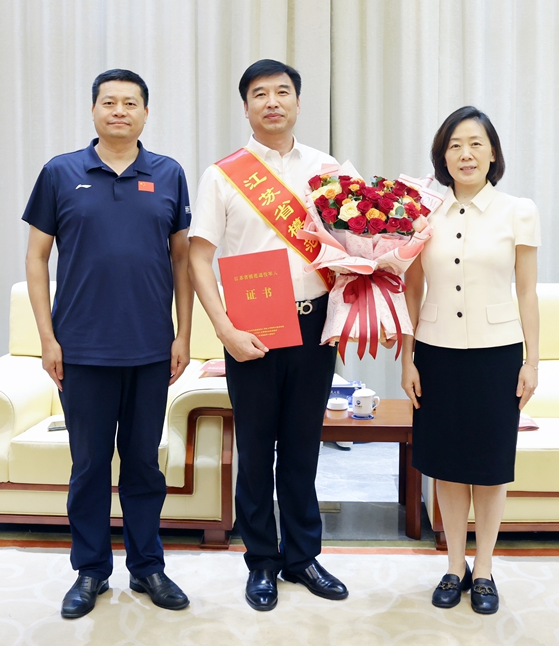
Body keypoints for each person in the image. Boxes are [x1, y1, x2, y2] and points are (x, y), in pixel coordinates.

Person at [22, 69, 194, 618]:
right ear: (94, 110)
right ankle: (91, 570)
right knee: (90, 466)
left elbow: (183, 260)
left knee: (144, 464)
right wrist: (47, 338)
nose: (119, 111)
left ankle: (148, 568)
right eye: (109, 102)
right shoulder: (60, 172)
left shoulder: (168, 174)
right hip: (82, 350)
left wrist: (184, 334)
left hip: (150, 350)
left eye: (130, 103)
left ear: (146, 113)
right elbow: (36, 258)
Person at [187, 59, 349, 611]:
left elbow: (350, 249)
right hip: (251, 325)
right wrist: (225, 329)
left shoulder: (328, 169)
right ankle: (261, 561)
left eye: (283, 92)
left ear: (298, 102)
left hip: (315, 323)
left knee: (302, 448)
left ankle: (303, 557)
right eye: (260, 93)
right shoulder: (223, 175)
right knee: (255, 450)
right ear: (246, 106)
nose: (272, 101)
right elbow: (199, 258)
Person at [399, 105, 540, 615]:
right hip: (436, 352)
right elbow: (411, 289)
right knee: (448, 465)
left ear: (493, 153)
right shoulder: (423, 212)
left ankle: (483, 570)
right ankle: (453, 565)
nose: (465, 153)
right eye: (455, 145)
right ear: (442, 156)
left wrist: (532, 361)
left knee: (490, 466)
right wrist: (407, 358)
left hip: (497, 354)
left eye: (476, 143)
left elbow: (527, 291)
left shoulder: (517, 211)